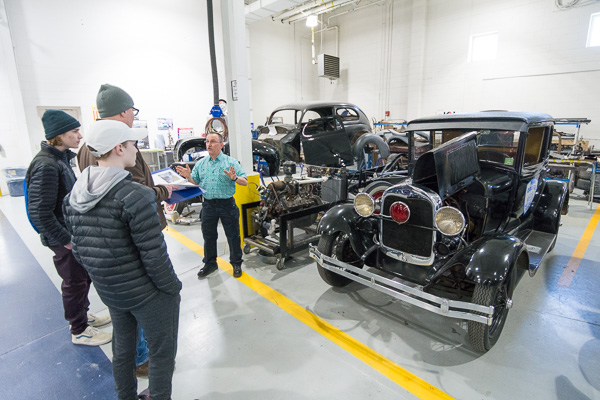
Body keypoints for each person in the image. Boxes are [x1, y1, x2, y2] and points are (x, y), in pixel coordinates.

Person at [63, 120, 182, 400]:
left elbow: (79, 251)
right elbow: (154, 257)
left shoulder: (74, 197)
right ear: (119, 149)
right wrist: (172, 288)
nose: (136, 151)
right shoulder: (135, 196)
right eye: (133, 145)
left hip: (112, 293)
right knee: (162, 353)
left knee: (123, 348)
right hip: (147, 295)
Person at [78, 83, 175, 376]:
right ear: (124, 112)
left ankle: (133, 358)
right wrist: (162, 191)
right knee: (143, 299)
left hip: (105, 245)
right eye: (133, 110)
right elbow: (136, 194)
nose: (134, 116)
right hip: (128, 236)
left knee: (122, 309)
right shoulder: (118, 147)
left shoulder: (89, 146)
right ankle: (143, 359)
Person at [25, 109, 112, 346]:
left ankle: (83, 316)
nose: (80, 136)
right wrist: (66, 239)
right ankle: (79, 329)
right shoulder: (46, 165)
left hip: (71, 232)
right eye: (74, 131)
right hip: (63, 236)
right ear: (59, 135)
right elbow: (39, 212)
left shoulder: (59, 160)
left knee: (83, 278)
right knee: (74, 282)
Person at [176, 132, 247, 278]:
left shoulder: (231, 162)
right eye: (207, 141)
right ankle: (210, 263)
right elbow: (195, 183)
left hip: (227, 204)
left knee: (233, 236)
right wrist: (188, 176)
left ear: (221, 145)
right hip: (208, 205)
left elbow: (244, 181)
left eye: (213, 141)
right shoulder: (201, 163)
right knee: (209, 236)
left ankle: (236, 263)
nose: (209, 144)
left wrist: (234, 178)